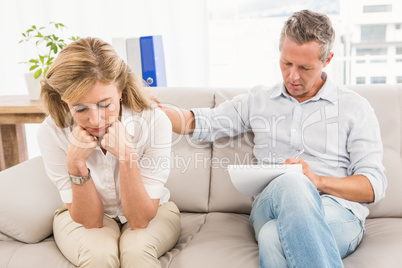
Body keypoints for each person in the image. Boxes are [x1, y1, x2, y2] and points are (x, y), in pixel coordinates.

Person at [163, 10, 386, 268]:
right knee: (293, 182)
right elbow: (202, 121)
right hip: (271, 204)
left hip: (338, 213)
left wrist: (317, 181)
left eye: (305, 68)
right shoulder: (259, 100)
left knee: (272, 237)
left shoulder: (354, 108)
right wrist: (154, 111)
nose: (292, 76)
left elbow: (374, 185)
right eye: (286, 63)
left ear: (327, 60)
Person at [38, 37, 181, 268]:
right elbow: (91, 221)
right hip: (81, 215)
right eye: (80, 108)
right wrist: (76, 164)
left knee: (136, 251)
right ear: (64, 102)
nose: (95, 120)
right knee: (99, 255)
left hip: (153, 211)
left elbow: (139, 220)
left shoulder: (154, 122)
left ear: (121, 91)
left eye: (105, 104)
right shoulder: (51, 132)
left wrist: (127, 156)